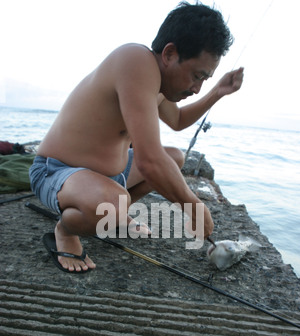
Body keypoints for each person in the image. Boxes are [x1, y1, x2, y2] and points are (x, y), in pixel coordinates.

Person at [29, 1, 244, 273]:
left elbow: (177, 120)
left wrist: (218, 92)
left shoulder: (159, 82)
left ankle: (113, 213)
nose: (198, 88)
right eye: (196, 76)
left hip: (109, 178)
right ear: (170, 53)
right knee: (116, 202)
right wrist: (195, 206)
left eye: (205, 80)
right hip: (57, 171)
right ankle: (66, 230)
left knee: (174, 159)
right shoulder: (135, 61)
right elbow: (149, 161)